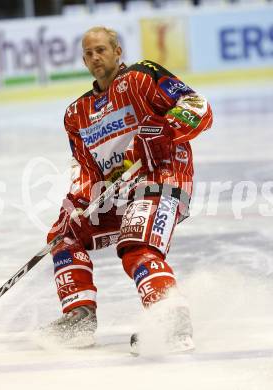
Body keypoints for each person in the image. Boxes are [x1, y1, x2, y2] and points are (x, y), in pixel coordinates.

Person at [47, 26, 213, 353]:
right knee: (62, 234)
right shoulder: (75, 115)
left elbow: (197, 105)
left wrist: (164, 129)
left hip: (162, 178)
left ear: (117, 51)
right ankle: (79, 316)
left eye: (102, 50)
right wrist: (78, 202)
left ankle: (171, 317)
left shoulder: (141, 78)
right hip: (116, 195)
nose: (96, 57)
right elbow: (85, 170)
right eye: (89, 53)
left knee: (136, 244)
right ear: (83, 59)